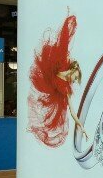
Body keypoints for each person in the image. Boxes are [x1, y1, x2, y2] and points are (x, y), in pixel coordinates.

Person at [27, 13, 88, 147]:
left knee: (49, 119)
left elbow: (72, 112)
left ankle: (35, 127)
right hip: (47, 77)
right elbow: (64, 41)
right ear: (73, 70)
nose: (74, 80)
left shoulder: (66, 88)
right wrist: (68, 20)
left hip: (51, 89)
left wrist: (81, 127)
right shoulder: (61, 63)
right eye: (75, 77)